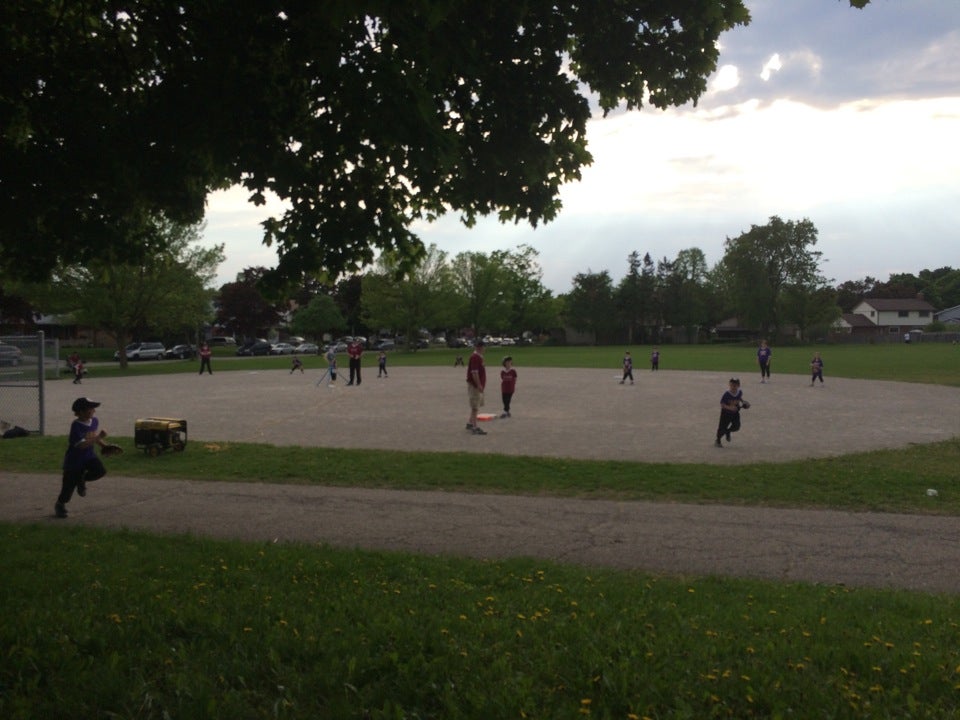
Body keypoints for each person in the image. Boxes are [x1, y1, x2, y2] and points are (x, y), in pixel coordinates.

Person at [55, 397, 110, 518]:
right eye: (91, 408)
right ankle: (60, 505)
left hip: (89, 456)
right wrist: (98, 437)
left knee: (100, 471)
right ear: (80, 412)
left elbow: (93, 435)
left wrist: (104, 446)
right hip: (74, 461)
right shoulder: (76, 426)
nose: (94, 411)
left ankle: (81, 480)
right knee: (68, 488)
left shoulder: (94, 421)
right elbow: (81, 445)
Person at [715, 378, 749, 448]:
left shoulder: (739, 392)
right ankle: (718, 440)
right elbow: (722, 404)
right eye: (731, 385)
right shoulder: (727, 394)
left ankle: (728, 431)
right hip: (726, 413)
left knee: (736, 427)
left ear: (738, 386)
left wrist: (743, 402)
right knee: (722, 428)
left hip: (735, 413)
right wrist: (730, 408)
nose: (733, 387)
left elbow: (739, 397)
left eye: (734, 385)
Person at [465, 339, 487, 435]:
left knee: (476, 405)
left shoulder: (479, 357)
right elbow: (474, 373)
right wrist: (478, 385)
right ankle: (474, 427)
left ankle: (470, 423)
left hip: (477, 385)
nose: (482, 348)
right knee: (475, 407)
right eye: (480, 347)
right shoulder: (475, 357)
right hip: (474, 386)